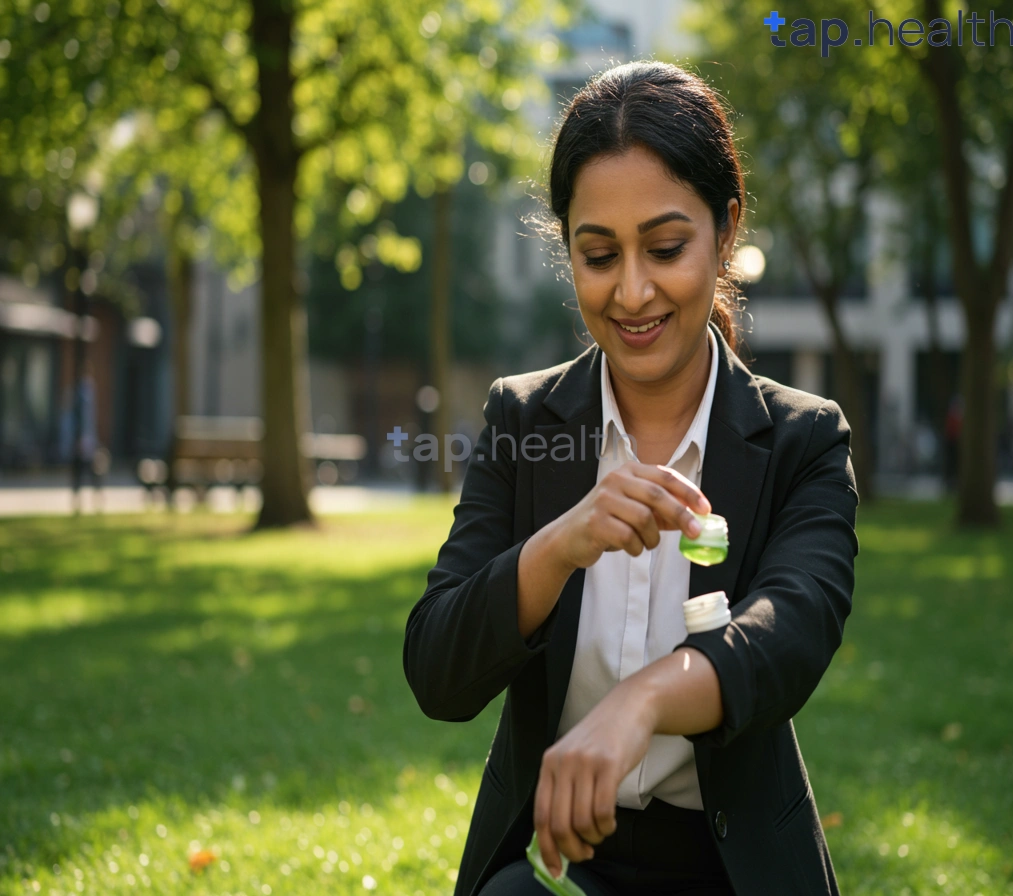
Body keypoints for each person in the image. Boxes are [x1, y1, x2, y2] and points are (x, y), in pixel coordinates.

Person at [403, 60, 859, 896]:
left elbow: (788, 634)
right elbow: (438, 671)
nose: (633, 291)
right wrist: (559, 545)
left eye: (666, 247)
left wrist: (640, 703)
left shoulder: (804, 438)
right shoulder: (523, 419)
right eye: (599, 255)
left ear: (726, 231)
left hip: (736, 872)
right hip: (559, 871)